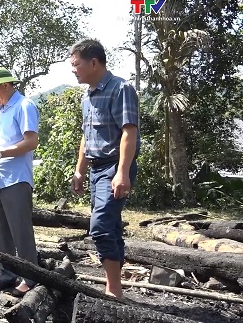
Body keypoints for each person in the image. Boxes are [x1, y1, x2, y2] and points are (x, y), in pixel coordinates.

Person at [69, 38, 139, 299]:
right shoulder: (87, 97)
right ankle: (116, 288)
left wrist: (122, 172)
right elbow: (87, 137)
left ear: (94, 62)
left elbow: (129, 132)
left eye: (76, 64)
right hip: (96, 169)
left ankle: (113, 291)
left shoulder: (121, 88)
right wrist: (79, 170)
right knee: (110, 225)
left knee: (99, 227)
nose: (73, 70)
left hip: (114, 167)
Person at [0, 67, 39, 297]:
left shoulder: (24, 105)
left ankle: (30, 277)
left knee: (20, 230)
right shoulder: (1, 110)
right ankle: (7, 275)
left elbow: (31, 142)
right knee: (2, 231)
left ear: (6, 85)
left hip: (16, 178)